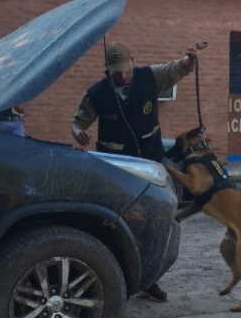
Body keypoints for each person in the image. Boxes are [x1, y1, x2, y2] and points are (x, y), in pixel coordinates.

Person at [70, 41, 198, 302]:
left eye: (126, 69)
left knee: (155, 222)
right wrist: (78, 132)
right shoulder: (97, 93)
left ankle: (150, 279)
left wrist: (189, 60)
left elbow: (176, 69)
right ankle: (113, 280)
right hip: (117, 173)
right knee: (118, 225)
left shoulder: (150, 77)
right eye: (117, 72)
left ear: (133, 60)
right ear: (108, 69)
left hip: (151, 165)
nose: (123, 75)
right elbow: (77, 122)